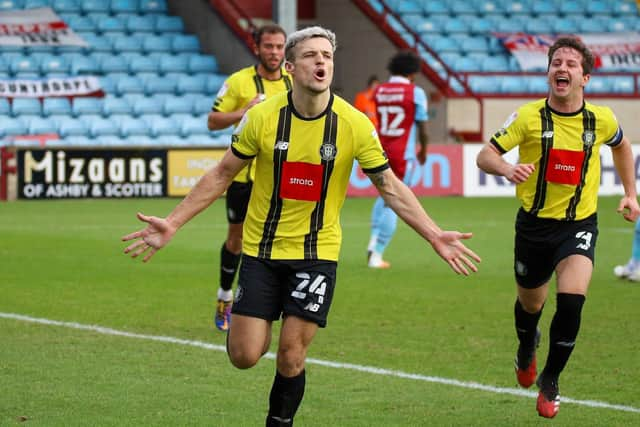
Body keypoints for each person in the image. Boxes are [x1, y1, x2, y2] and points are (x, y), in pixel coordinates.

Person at [122, 26, 481, 427]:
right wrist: (172, 223)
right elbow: (222, 174)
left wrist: (434, 234)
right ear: (291, 68)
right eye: (311, 55)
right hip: (261, 250)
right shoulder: (260, 117)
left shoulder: (355, 124)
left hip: (316, 255)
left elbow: (390, 186)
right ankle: (246, 323)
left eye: (327, 55)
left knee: (292, 354)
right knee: (244, 356)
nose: (321, 61)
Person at [476, 37, 639, 418]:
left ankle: (550, 379)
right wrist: (505, 168)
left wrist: (631, 193)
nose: (562, 69)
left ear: (585, 77)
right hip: (533, 227)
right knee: (530, 305)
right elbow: (486, 154)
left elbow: (622, 144)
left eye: (570, 64)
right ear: (548, 71)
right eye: (556, 63)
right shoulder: (528, 117)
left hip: (578, 224)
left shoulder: (601, 119)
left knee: (571, 298)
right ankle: (525, 346)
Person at [207, 24, 291, 331]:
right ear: (257, 48)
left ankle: (275, 303)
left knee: (282, 240)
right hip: (244, 179)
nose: (275, 52)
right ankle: (225, 296)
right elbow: (213, 121)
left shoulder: (294, 82)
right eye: (269, 46)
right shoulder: (239, 82)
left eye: (280, 47)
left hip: (281, 178)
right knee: (237, 239)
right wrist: (244, 111)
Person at [366, 51, 429, 268]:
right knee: (397, 202)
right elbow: (422, 126)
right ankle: (377, 254)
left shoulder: (379, 90)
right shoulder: (415, 92)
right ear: (412, 73)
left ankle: (373, 240)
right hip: (404, 153)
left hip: (380, 150)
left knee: (384, 195)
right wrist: (424, 150)